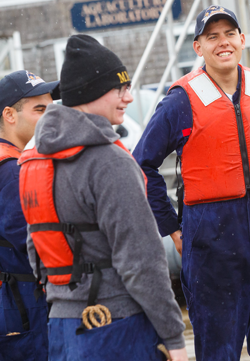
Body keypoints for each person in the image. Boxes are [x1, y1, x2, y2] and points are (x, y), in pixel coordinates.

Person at [133, 5, 250, 360]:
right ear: (197, 46)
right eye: (212, 36)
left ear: (242, 40)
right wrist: (171, 227)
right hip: (210, 239)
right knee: (218, 349)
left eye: (229, 34)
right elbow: (142, 166)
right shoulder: (180, 102)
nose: (223, 43)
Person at [19, 35, 187, 361]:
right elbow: (142, 261)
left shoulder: (34, 158)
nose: (129, 96)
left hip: (61, 326)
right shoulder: (110, 162)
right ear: (91, 92)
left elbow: (35, 249)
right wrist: (174, 340)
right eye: (119, 88)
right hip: (116, 326)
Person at [0, 70, 56, 360]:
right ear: (9, 114)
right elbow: (29, 240)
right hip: (23, 301)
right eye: (39, 109)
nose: (49, 116)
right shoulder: (11, 171)